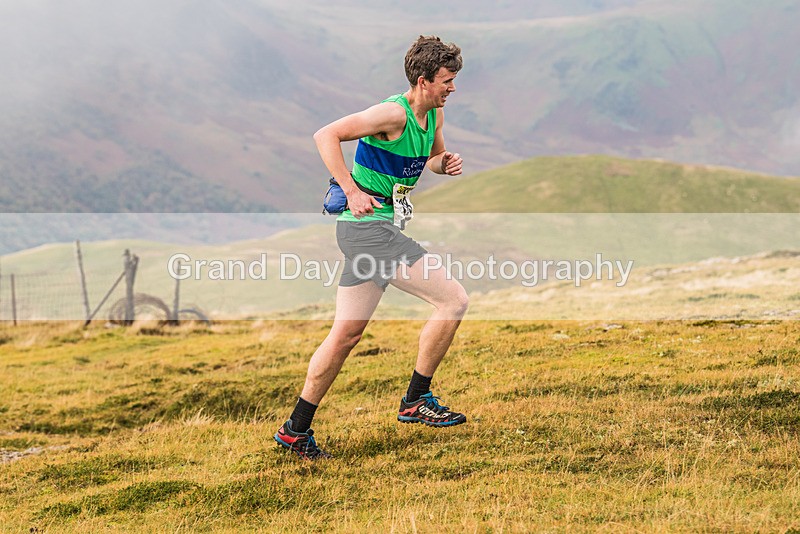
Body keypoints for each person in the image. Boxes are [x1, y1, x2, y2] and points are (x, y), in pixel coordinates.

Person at [274, 35, 469, 460]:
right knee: (453, 301)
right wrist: (351, 189)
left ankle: (295, 430)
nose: (452, 87)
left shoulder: (432, 116)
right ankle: (416, 400)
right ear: (423, 81)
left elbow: (432, 158)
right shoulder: (390, 114)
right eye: (447, 80)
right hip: (368, 230)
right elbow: (326, 134)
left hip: (368, 232)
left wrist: (444, 164)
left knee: (345, 335)